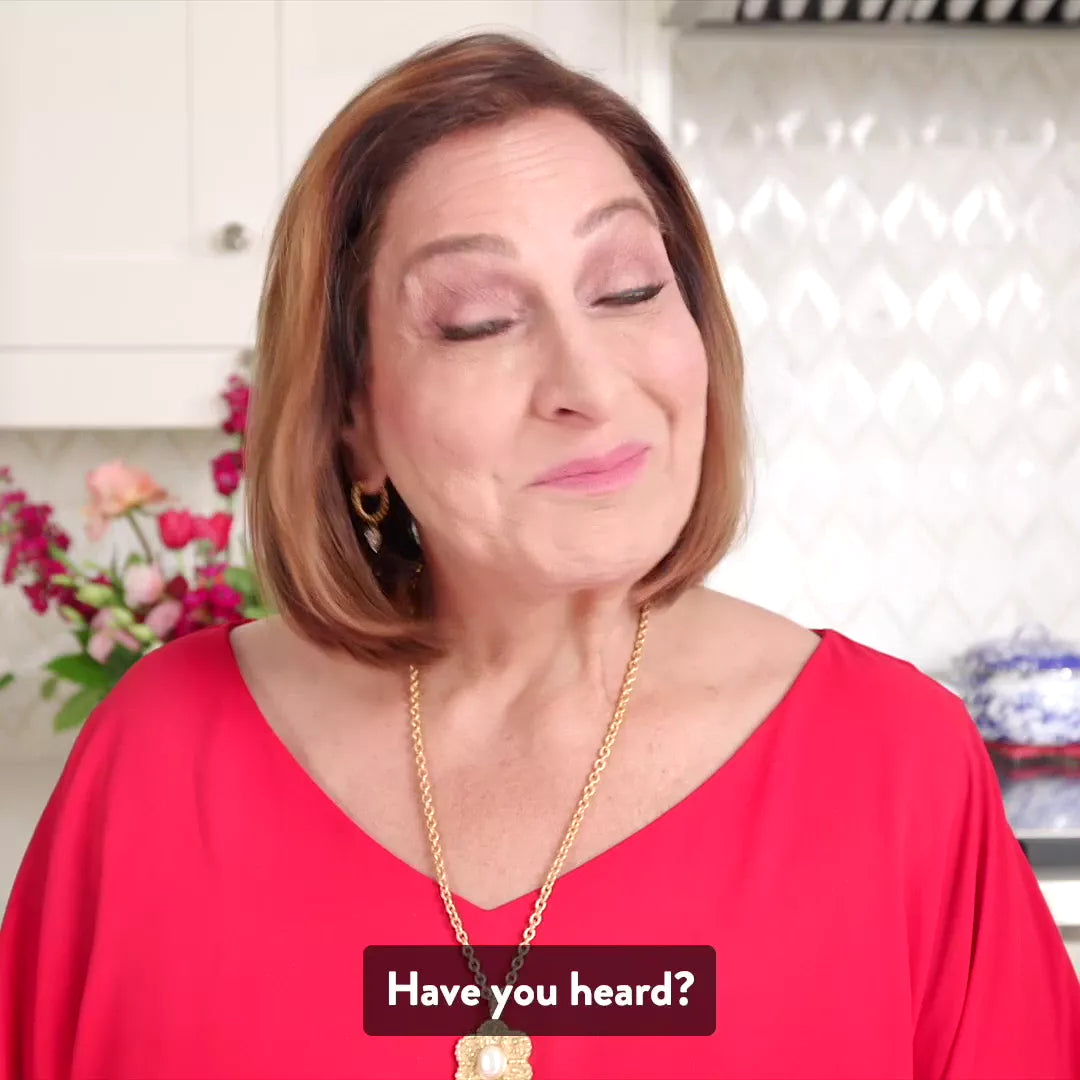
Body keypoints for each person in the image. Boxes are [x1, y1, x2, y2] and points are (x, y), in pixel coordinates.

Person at [2, 31, 1079, 1080]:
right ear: (352, 416)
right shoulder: (157, 757)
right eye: (479, 322)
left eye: (629, 289)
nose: (589, 385)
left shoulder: (897, 764)